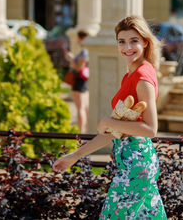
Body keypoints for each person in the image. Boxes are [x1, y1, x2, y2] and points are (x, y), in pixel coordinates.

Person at [53, 15, 167, 219]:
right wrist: (75, 156)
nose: (127, 47)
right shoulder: (132, 75)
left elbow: (151, 129)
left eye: (134, 41)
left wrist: (107, 122)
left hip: (136, 165)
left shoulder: (142, 78)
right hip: (133, 161)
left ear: (145, 43)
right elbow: (115, 132)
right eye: (121, 41)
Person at [64, 30, 89, 133]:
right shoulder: (86, 51)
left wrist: (71, 59)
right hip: (83, 81)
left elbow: (79, 68)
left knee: (80, 108)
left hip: (79, 81)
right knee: (84, 107)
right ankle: (85, 130)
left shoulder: (84, 52)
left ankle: (81, 132)